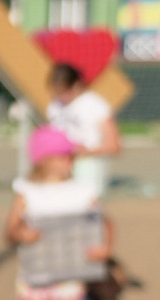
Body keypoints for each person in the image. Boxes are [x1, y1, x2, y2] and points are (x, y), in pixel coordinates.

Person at [6, 125, 109, 300]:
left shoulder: (82, 191)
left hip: (69, 273)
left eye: (71, 157)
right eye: (65, 156)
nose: (71, 162)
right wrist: (21, 233)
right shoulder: (27, 191)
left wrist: (104, 248)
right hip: (36, 272)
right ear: (45, 160)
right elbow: (10, 230)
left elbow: (104, 222)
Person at [44, 56, 119, 208]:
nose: (60, 97)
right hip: (60, 169)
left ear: (76, 86)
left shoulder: (95, 105)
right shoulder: (54, 106)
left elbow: (114, 145)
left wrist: (86, 151)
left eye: (63, 92)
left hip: (87, 169)